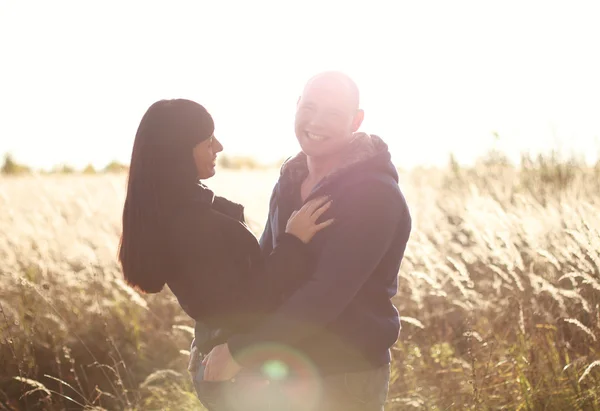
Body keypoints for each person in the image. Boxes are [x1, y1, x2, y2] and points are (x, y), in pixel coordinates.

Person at [203, 71, 412, 410]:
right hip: (283, 368)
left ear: (356, 121)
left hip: (344, 375)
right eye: (310, 107)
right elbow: (266, 272)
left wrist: (241, 351)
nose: (317, 121)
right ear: (297, 106)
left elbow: (325, 294)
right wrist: (225, 341)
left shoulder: (374, 194)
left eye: (333, 113)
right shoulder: (290, 178)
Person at [117, 98, 334, 410]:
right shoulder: (192, 225)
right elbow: (247, 303)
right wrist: (292, 242)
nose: (218, 146)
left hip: (229, 365)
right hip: (240, 375)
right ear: (179, 151)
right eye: (207, 140)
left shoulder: (177, 212)